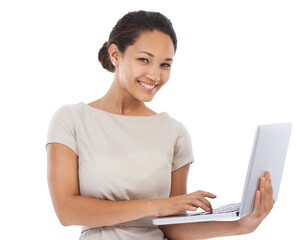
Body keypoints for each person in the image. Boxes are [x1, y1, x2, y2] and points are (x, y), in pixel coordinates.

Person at [46, 10, 274, 240]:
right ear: (115, 54)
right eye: (144, 59)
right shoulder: (72, 119)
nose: (155, 75)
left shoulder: (174, 132)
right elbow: (67, 210)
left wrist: (241, 226)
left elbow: (173, 227)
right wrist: (159, 205)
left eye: (165, 65)